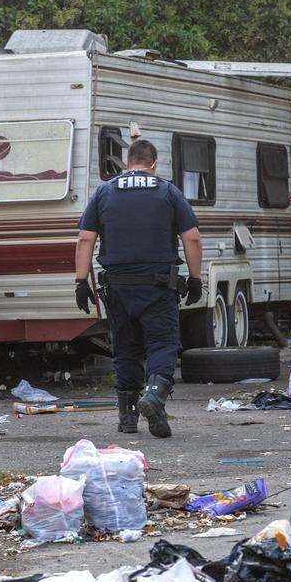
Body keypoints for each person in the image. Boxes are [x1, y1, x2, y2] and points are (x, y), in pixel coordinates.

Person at [74, 139, 203, 438]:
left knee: (125, 347)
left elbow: (84, 239)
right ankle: (155, 395)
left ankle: (127, 417)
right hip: (157, 285)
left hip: (117, 286)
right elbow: (192, 238)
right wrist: (195, 279)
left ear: (127, 162)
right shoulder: (168, 191)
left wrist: (81, 282)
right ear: (154, 164)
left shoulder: (105, 192)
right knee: (162, 344)